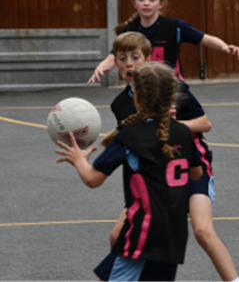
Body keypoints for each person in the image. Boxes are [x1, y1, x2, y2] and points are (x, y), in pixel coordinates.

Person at [96, 32, 239, 282]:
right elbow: (135, 142)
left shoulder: (170, 85)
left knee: (203, 231)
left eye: (134, 57)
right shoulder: (121, 104)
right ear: (115, 65)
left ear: (148, 59)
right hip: (154, 176)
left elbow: (205, 123)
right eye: (121, 58)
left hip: (191, 164)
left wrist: (176, 124)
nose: (129, 63)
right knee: (116, 235)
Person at [55, 62, 204, 281]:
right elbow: (196, 174)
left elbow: (92, 179)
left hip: (142, 235)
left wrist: (79, 160)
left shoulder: (130, 136)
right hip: (174, 235)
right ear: (171, 97)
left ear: (137, 99)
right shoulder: (182, 132)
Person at [87, 0, 239, 85]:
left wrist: (224, 46)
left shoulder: (174, 26)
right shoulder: (129, 31)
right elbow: (113, 56)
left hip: (171, 88)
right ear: (134, 3)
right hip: (141, 88)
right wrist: (100, 67)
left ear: (160, 4)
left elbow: (204, 39)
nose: (146, 3)